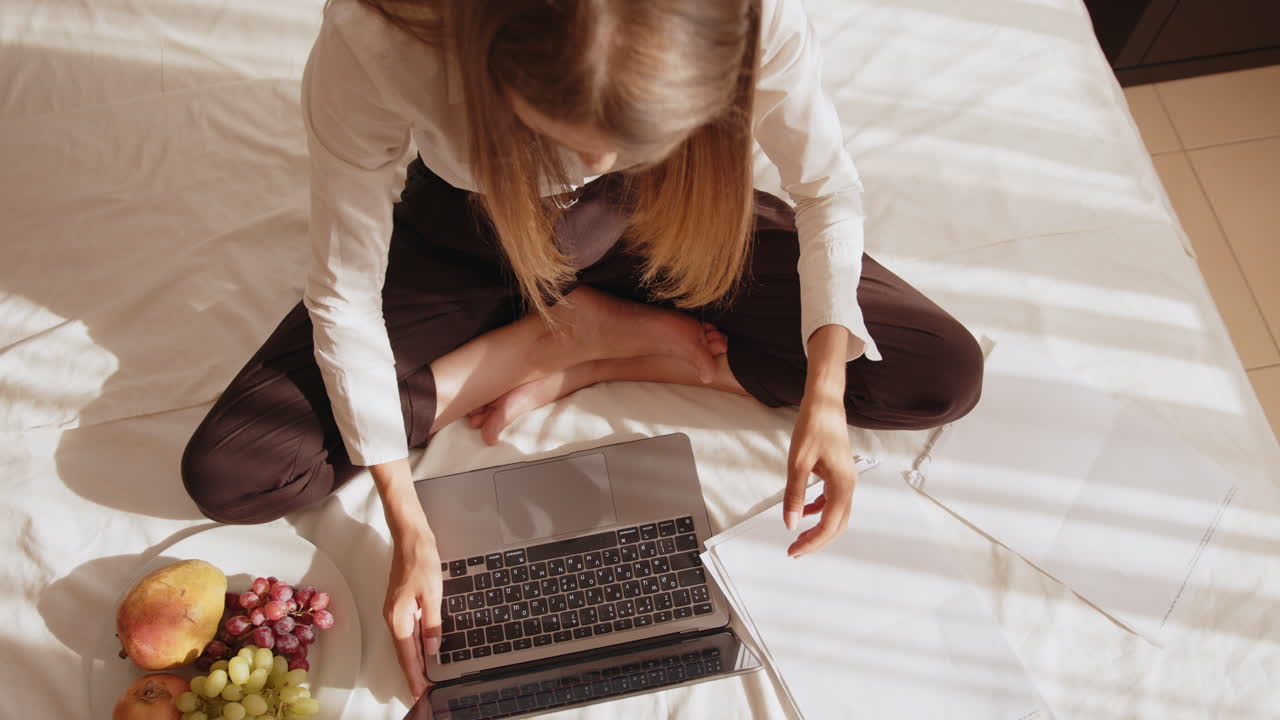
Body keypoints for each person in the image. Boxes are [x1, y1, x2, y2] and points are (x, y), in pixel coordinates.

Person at [181, 0, 983, 699]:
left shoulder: (744, 14)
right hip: (472, 235)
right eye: (562, 136)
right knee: (239, 471)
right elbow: (345, 290)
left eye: (626, 141)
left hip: (664, 218)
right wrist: (407, 520)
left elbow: (825, 189)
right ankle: (535, 345)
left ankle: (603, 340)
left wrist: (825, 400)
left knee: (933, 373)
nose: (592, 166)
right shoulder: (386, 36)